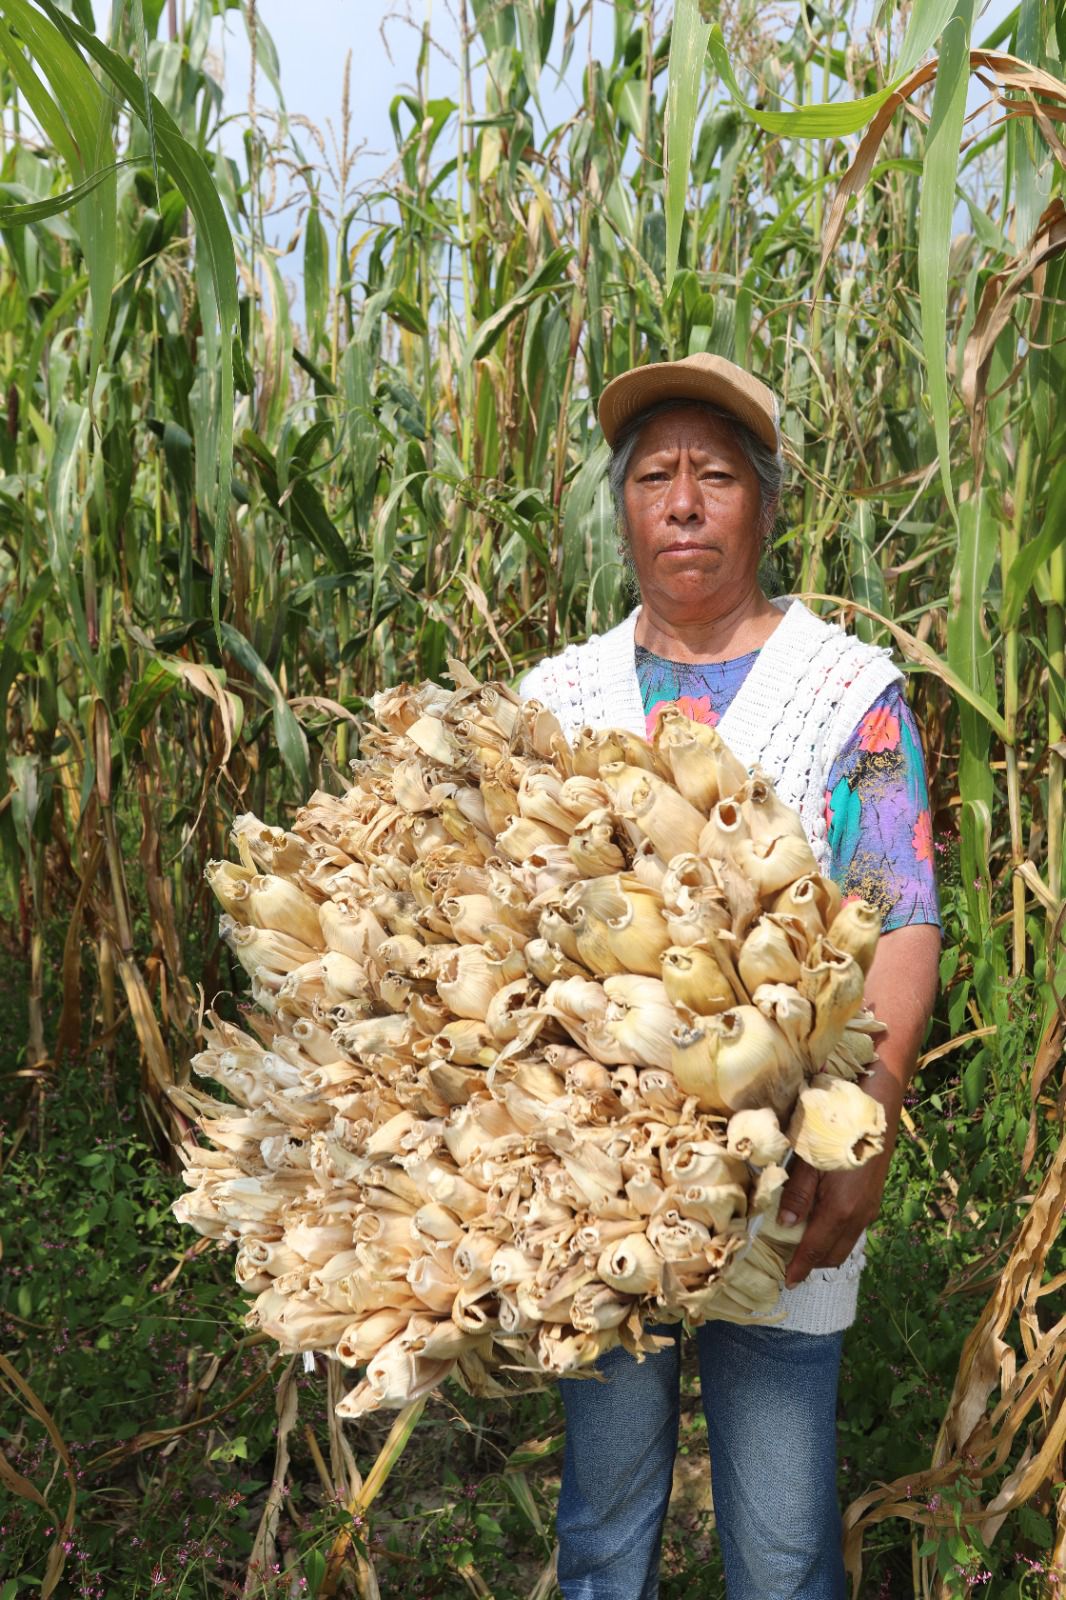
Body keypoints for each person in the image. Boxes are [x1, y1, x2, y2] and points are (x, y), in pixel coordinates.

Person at [518, 353, 942, 1600]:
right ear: (623, 509)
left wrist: (868, 1117)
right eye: (655, 476)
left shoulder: (844, 693)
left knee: (780, 1545)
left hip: (788, 1189)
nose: (685, 502)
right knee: (601, 1528)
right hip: (597, 1193)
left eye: (714, 475)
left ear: (762, 503)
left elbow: (896, 909)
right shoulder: (556, 699)